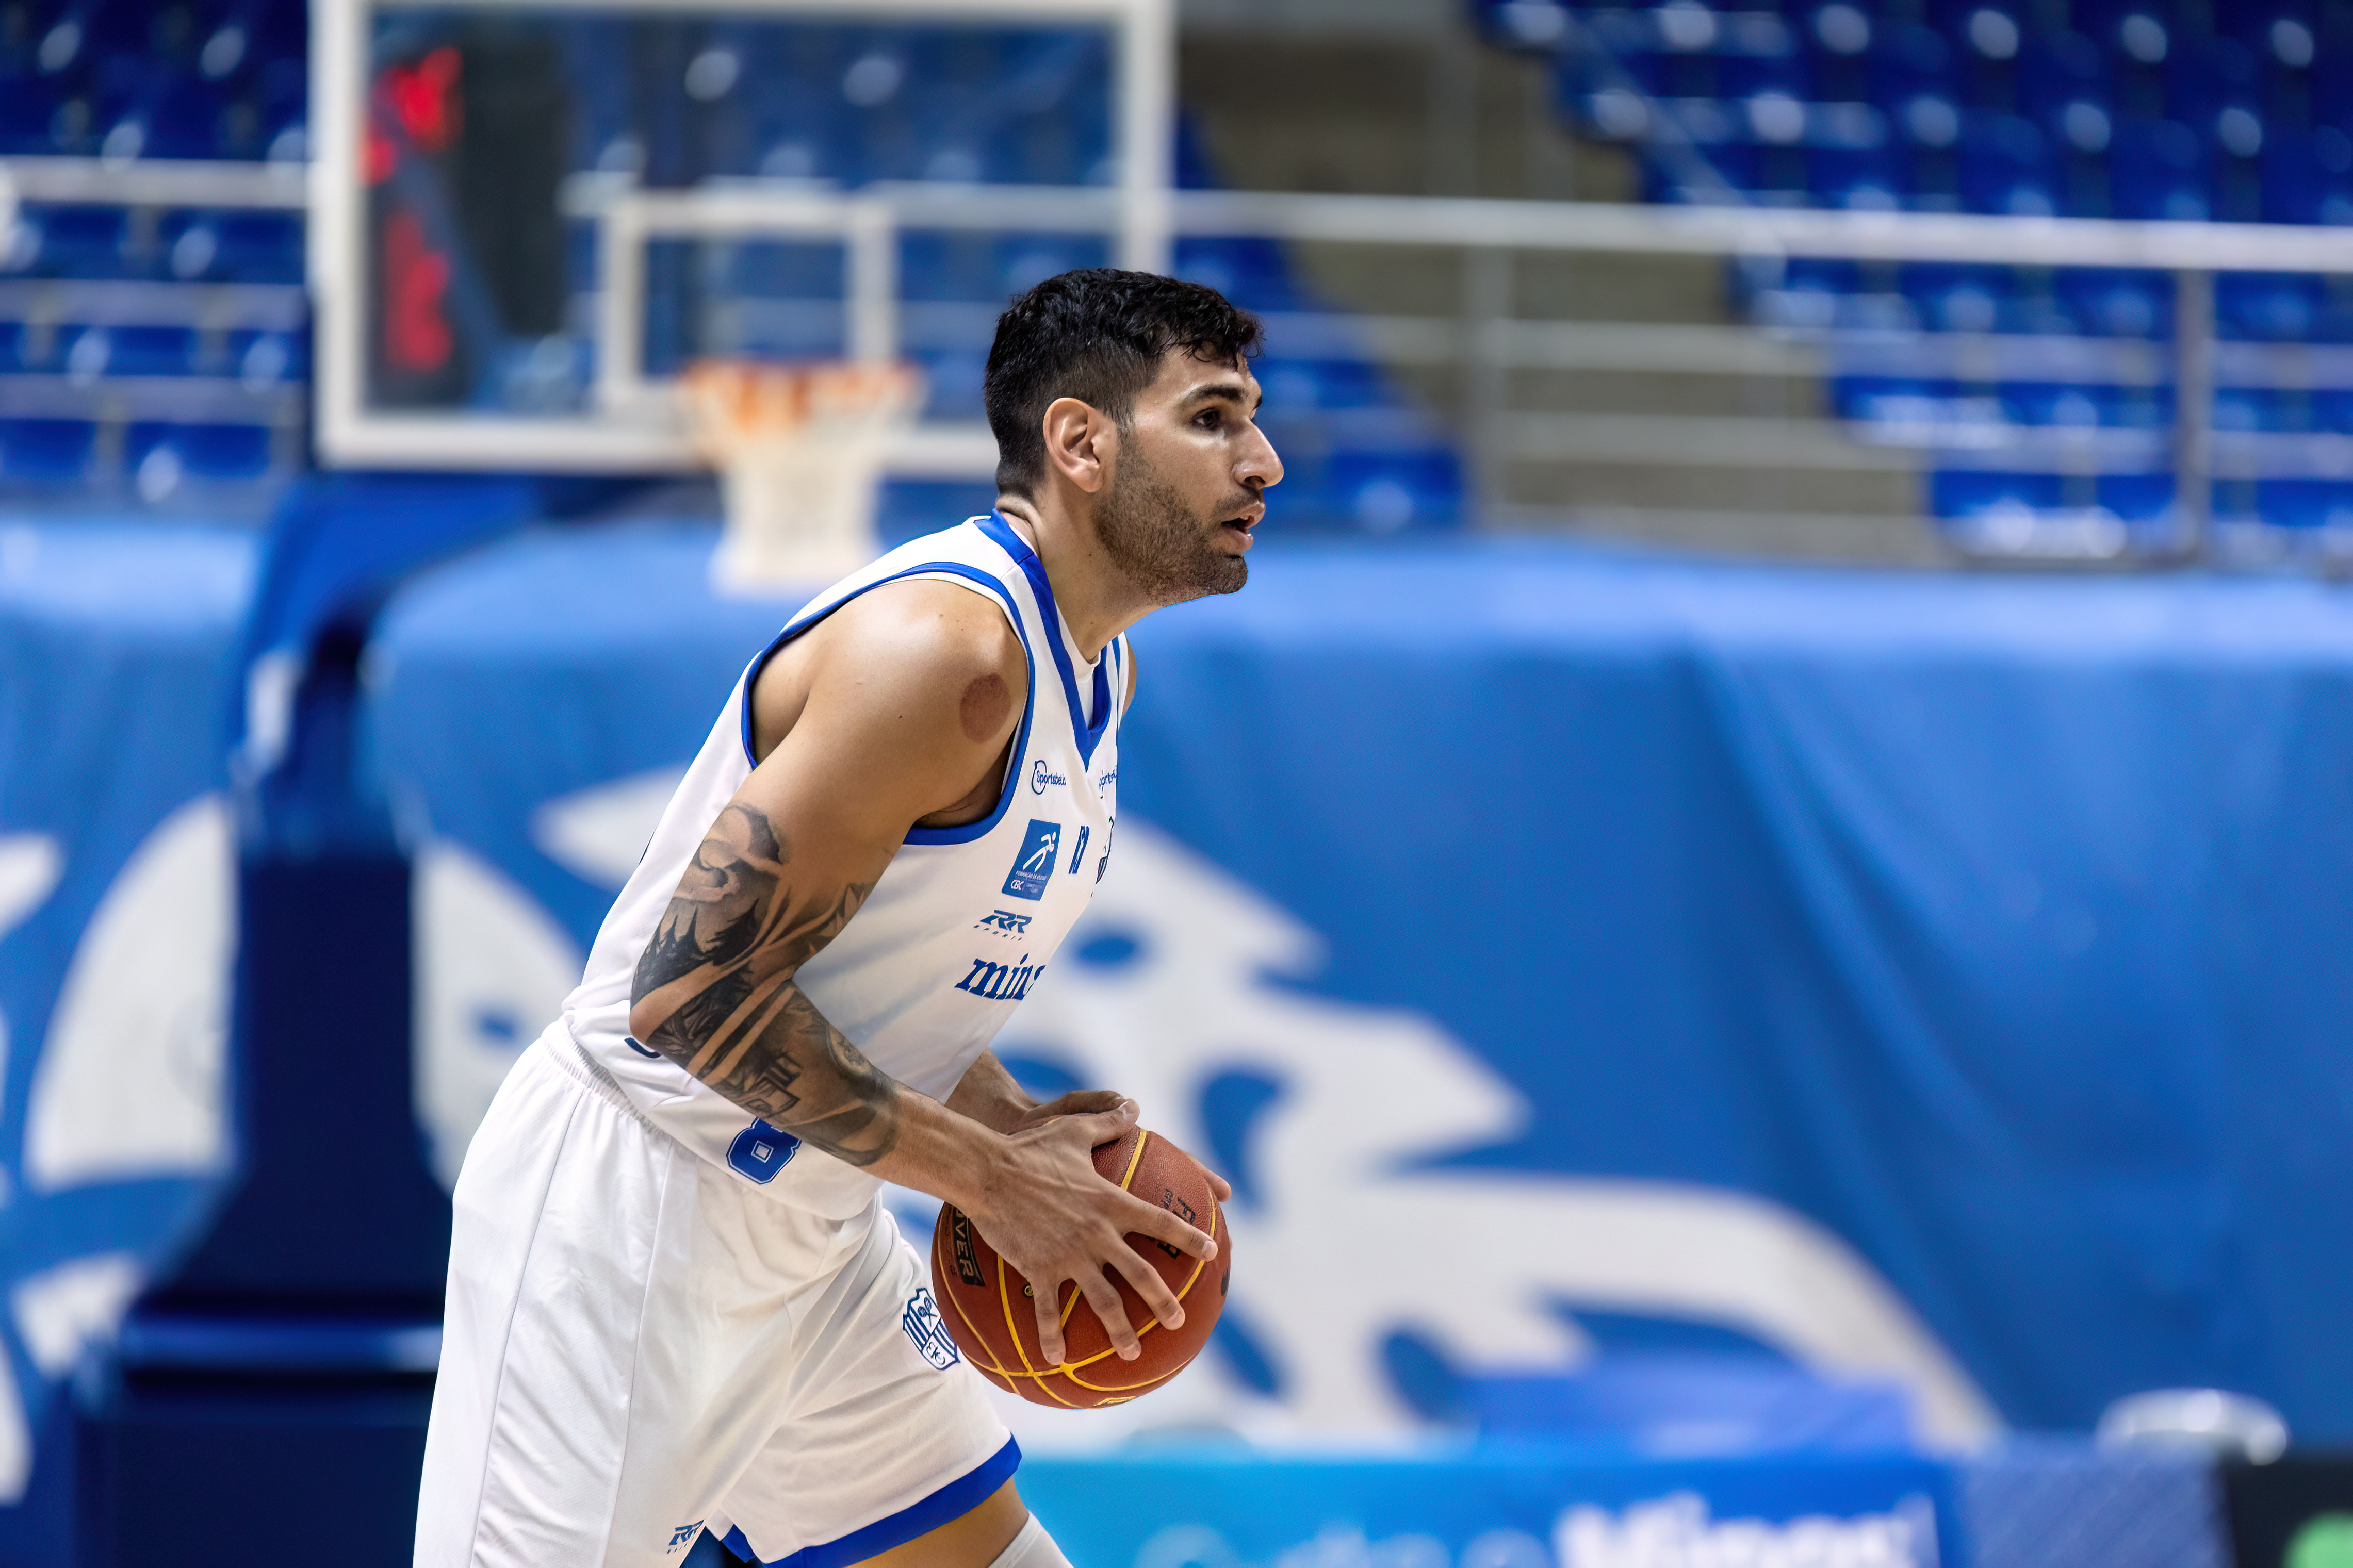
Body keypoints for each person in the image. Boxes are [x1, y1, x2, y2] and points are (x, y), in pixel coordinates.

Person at [415, 269, 1283, 1568]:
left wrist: (1005, 1121)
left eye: (1254, 418)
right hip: (633, 1214)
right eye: (1212, 418)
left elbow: (867, 975)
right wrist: (991, 1183)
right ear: (1080, 443)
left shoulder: (1094, 672)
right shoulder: (948, 657)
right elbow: (689, 997)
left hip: (810, 1235)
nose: (1262, 461)